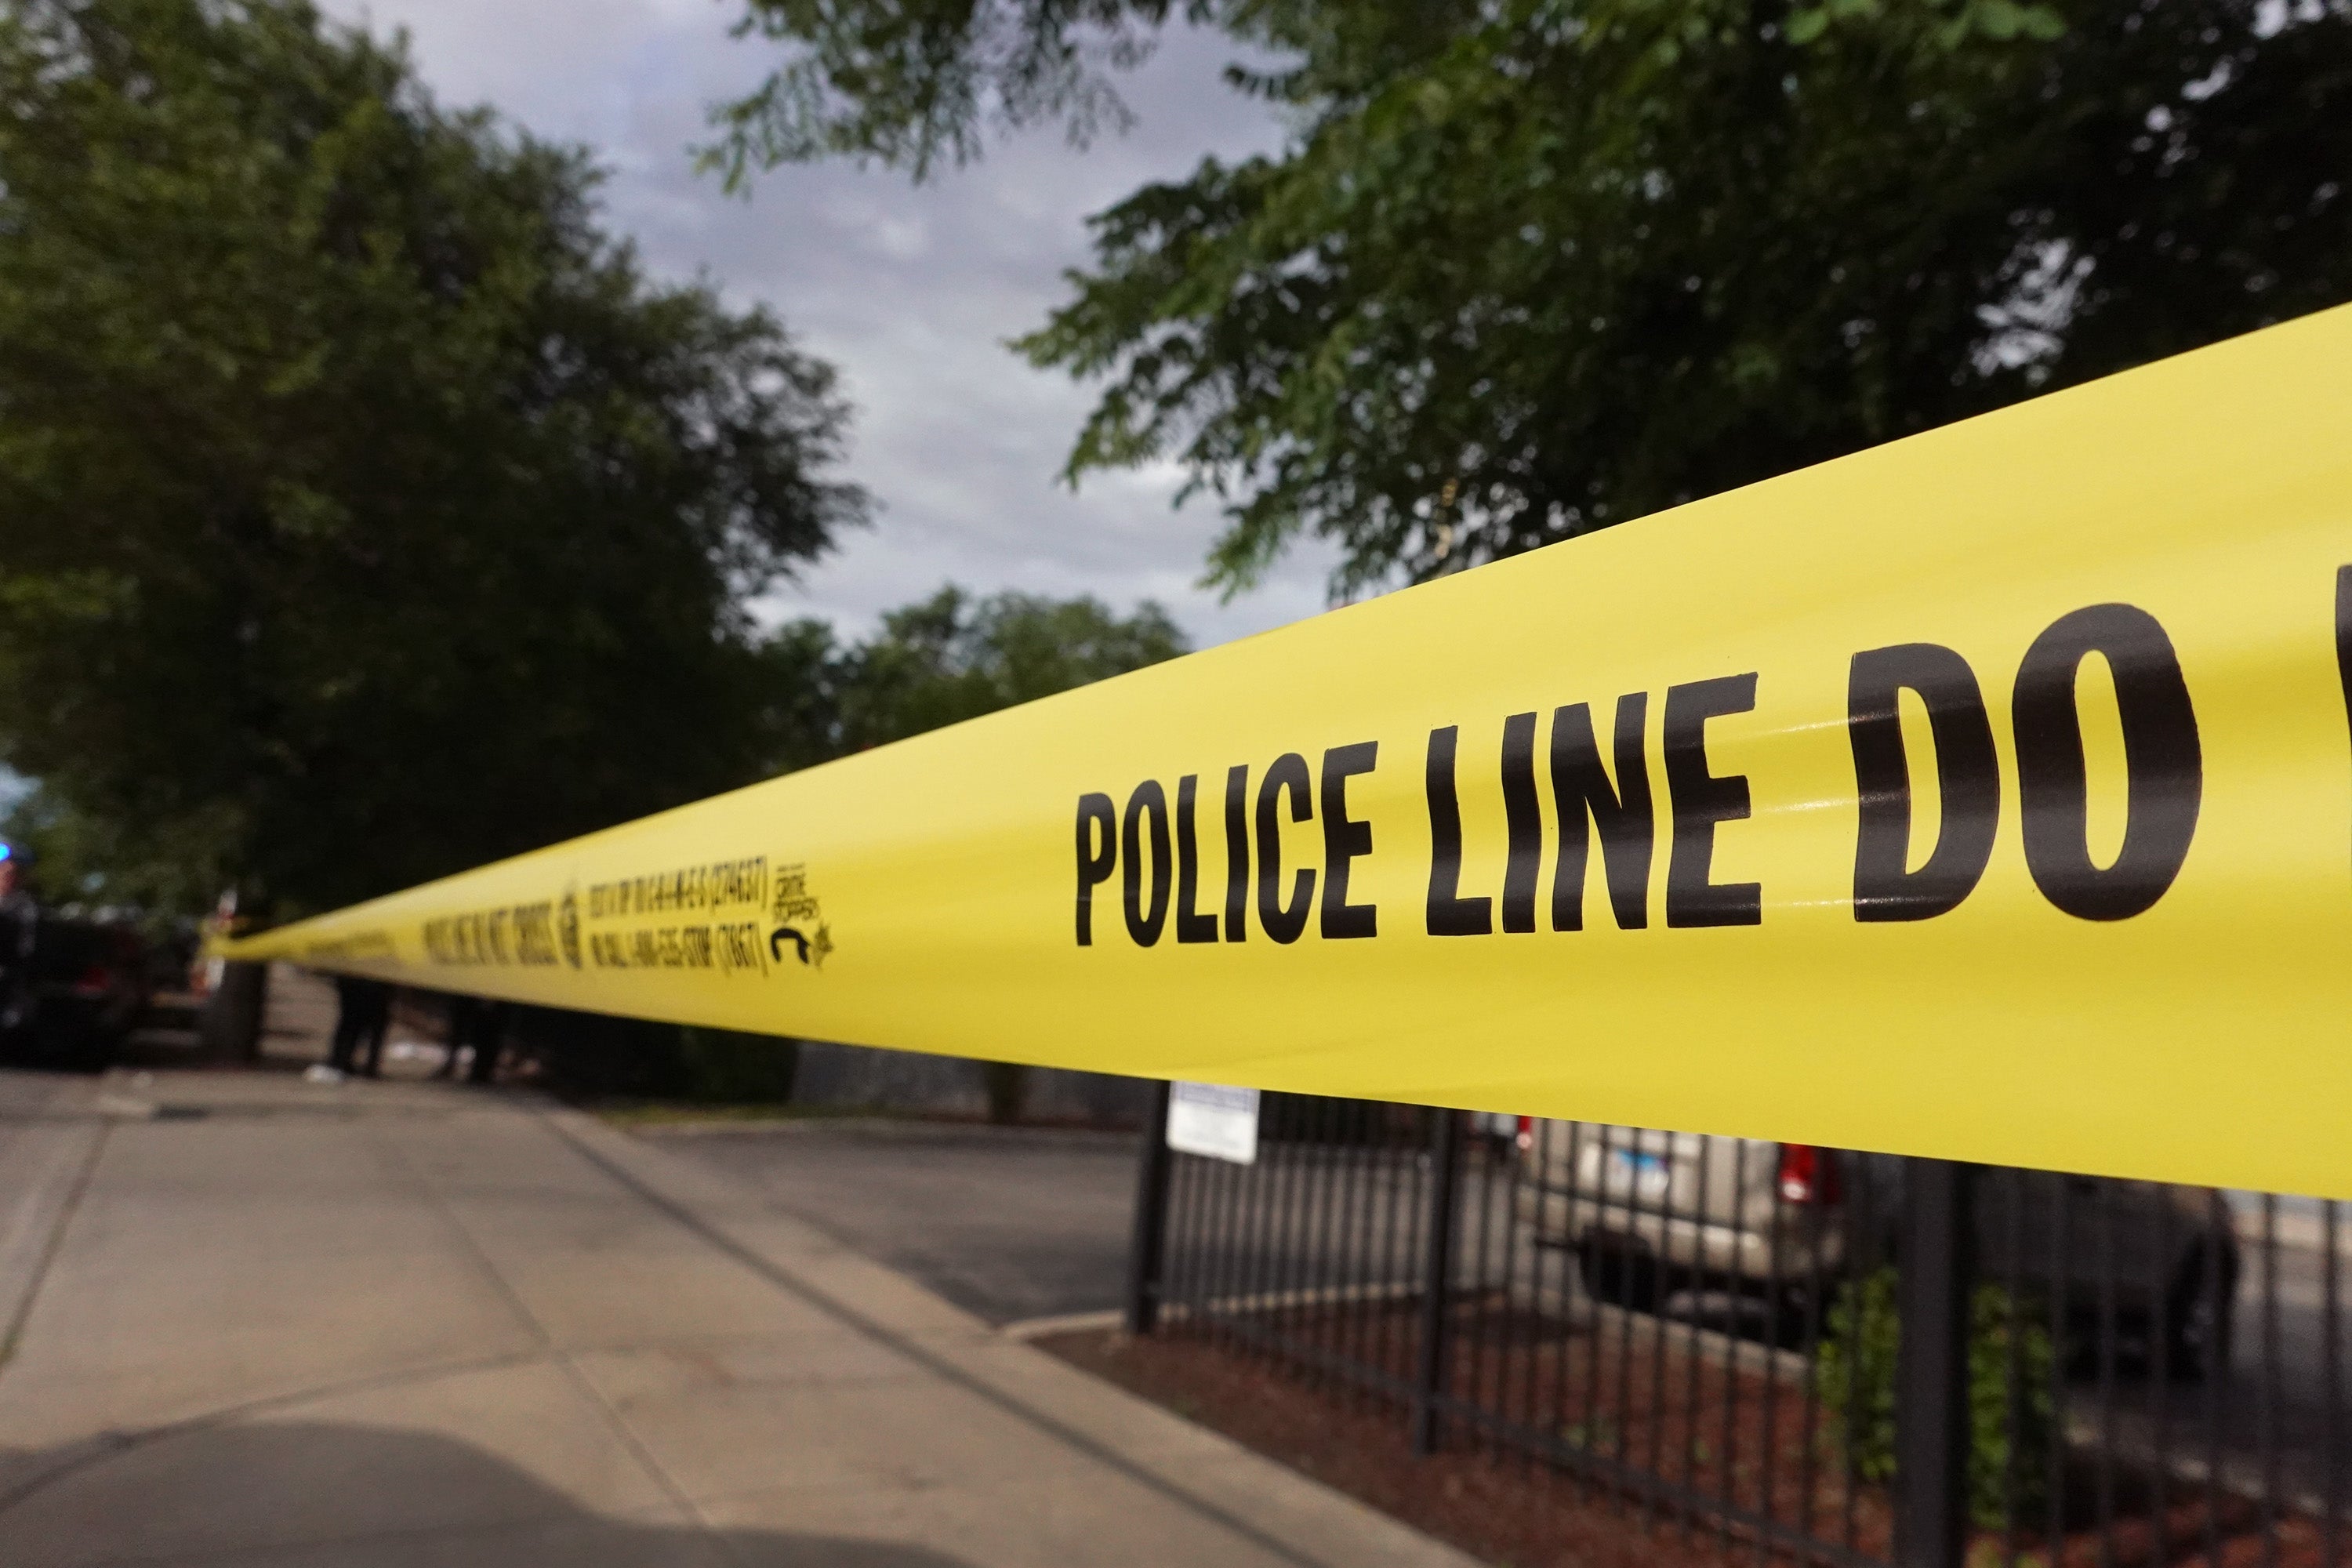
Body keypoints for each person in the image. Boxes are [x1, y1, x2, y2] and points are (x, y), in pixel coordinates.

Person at [0, 842, 37, 1044]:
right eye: (3, 869)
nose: (7, 875)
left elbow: (26, 945)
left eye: (13, 872)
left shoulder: (24, 907)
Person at [327, 975, 390, 1076]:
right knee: (373, 1024)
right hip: (374, 981)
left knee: (350, 1021)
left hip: (355, 979)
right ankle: (367, 1064)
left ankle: (341, 1060)